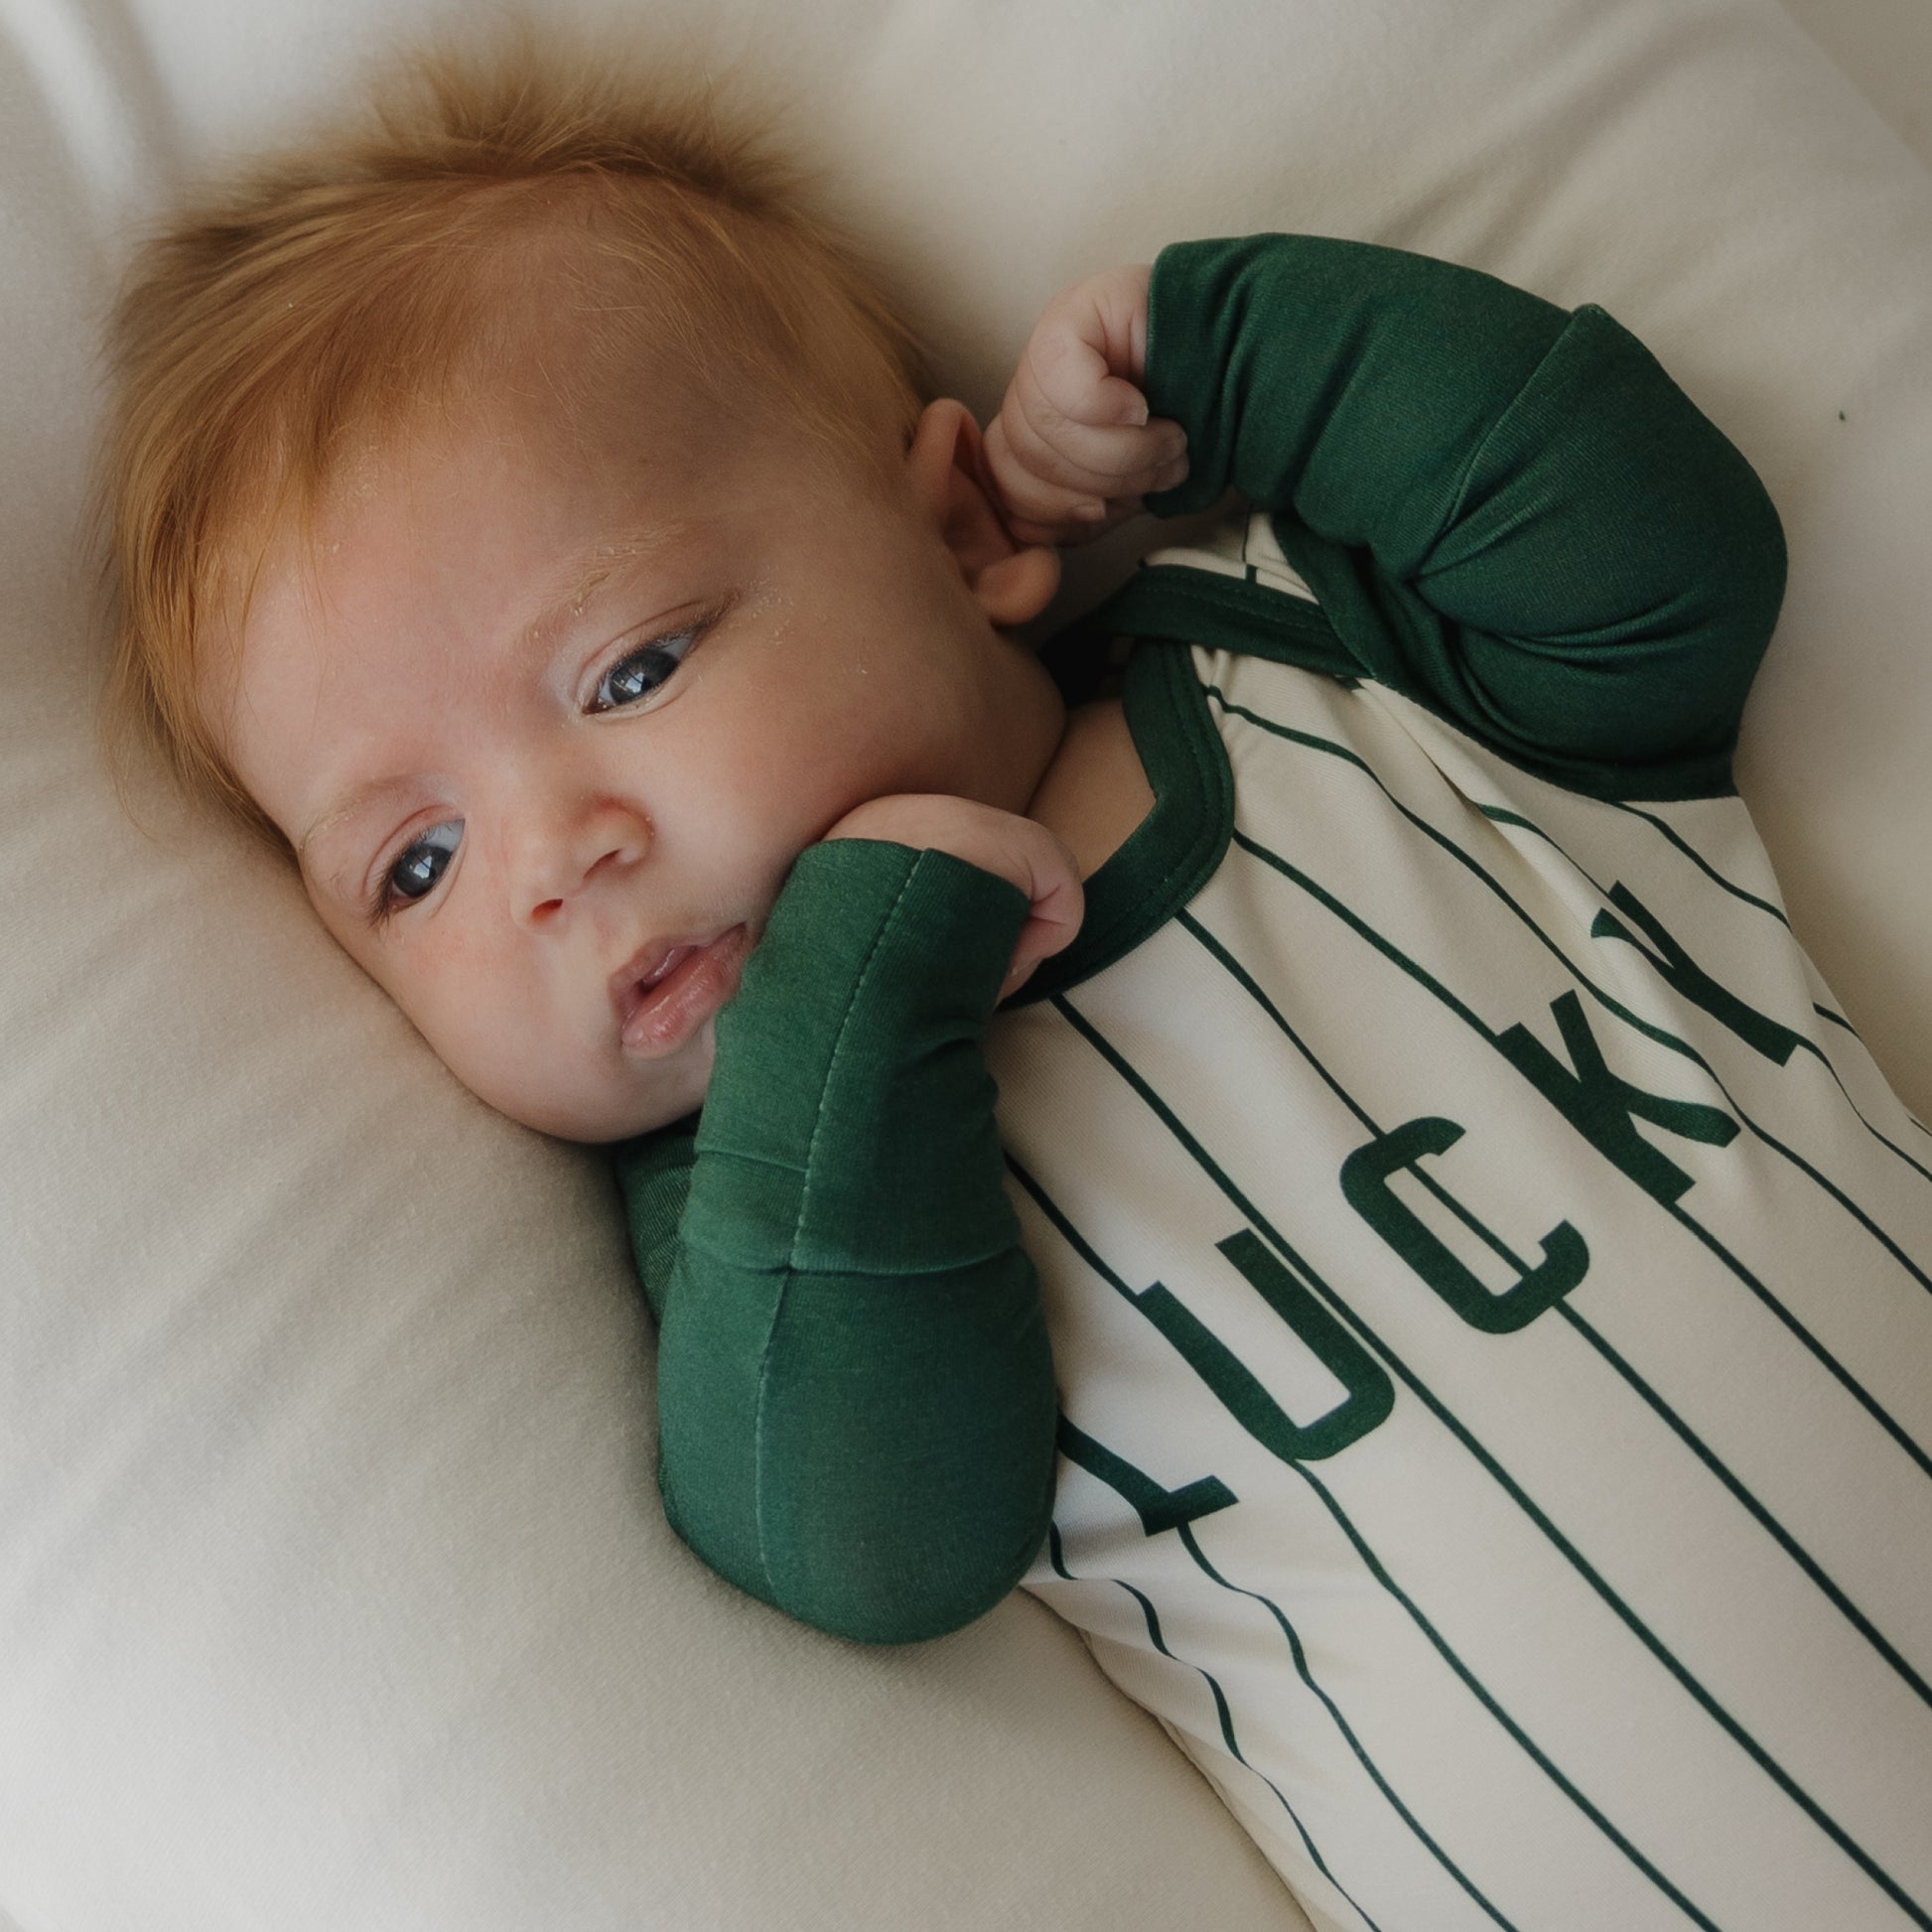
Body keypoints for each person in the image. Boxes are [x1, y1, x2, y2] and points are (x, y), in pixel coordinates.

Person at [93, 36, 1932, 1932]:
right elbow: (868, 1545)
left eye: (632, 669)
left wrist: (1213, 362)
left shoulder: (1324, 661)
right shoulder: (778, 1210)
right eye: (416, 864)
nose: (552, 859)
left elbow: (1659, 562)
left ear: (960, 529)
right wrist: (860, 976)